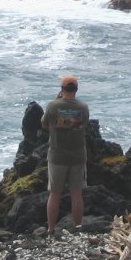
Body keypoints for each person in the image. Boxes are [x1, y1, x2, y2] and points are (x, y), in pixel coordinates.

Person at [41, 74, 89, 235]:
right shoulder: (83, 107)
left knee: (54, 194)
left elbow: (44, 123)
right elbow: (84, 125)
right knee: (77, 193)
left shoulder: (53, 106)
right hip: (78, 156)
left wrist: (57, 100)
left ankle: (51, 228)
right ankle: (77, 227)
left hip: (57, 156)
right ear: (76, 89)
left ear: (62, 89)